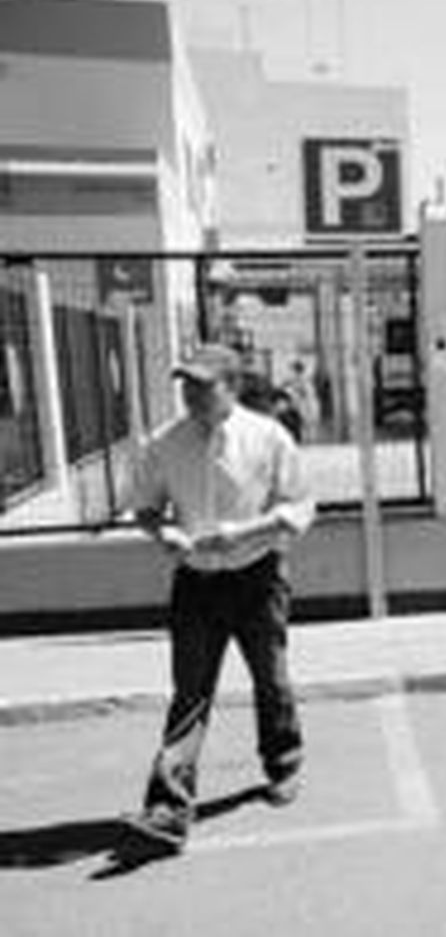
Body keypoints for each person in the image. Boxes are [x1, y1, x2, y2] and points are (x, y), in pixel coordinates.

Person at [122, 343, 317, 854]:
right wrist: (163, 533)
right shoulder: (165, 443)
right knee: (190, 693)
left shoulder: (268, 437)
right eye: (185, 384)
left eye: (202, 386)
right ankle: (168, 807)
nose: (190, 394)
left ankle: (283, 762)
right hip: (196, 583)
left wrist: (241, 533)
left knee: (271, 680)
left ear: (231, 386)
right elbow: (145, 507)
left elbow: (299, 508)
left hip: (258, 578)